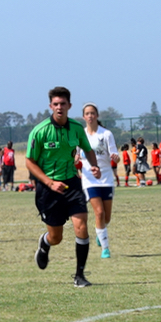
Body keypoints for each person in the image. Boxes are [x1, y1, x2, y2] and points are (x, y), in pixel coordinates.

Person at [25, 87, 101, 288]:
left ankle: (79, 275)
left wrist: (94, 165)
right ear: (51, 106)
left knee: (81, 226)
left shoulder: (76, 128)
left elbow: (87, 149)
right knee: (56, 237)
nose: (59, 107)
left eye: (63, 104)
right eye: (56, 104)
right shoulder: (39, 131)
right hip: (48, 188)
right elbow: (30, 162)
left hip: (72, 183)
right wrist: (49, 182)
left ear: (69, 106)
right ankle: (45, 243)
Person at [77, 104, 118, 259]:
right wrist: (75, 158)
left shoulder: (106, 134)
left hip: (106, 178)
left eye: (93, 113)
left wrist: (115, 157)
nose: (90, 116)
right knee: (99, 212)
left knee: (106, 217)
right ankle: (105, 249)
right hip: (89, 179)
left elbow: (114, 153)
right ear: (83, 117)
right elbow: (77, 154)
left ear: (97, 115)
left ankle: (100, 233)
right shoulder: (80, 135)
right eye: (87, 113)